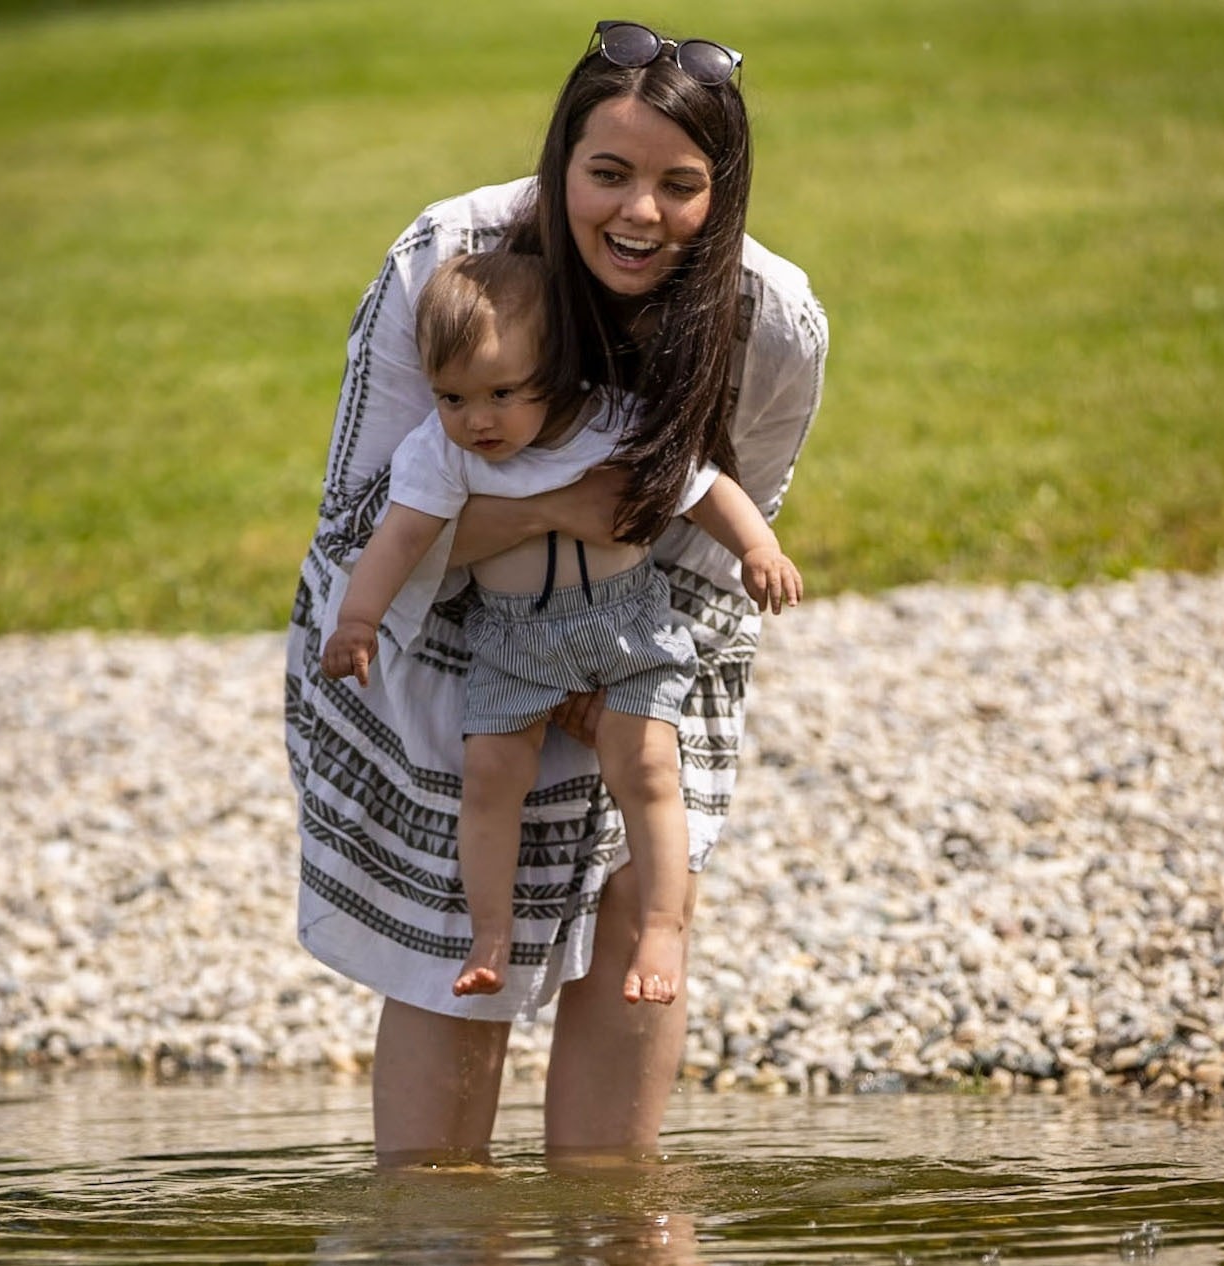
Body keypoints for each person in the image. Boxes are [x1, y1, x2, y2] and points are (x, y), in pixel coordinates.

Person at [285, 19, 828, 1166]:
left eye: (681, 186)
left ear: (721, 194)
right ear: (559, 162)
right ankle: (441, 1222)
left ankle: (617, 1211)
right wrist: (546, 522)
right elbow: (353, 528)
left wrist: (609, 678)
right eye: (610, 173)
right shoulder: (451, 265)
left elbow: (725, 535)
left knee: (638, 884)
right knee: (466, 930)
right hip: (433, 638)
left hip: (646, 632)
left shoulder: (766, 318)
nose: (641, 213)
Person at [319, 249, 802, 1008]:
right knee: (489, 780)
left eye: (501, 393)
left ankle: (663, 926)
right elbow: (400, 539)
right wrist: (357, 619)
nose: (476, 419)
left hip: (626, 627)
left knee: (645, 772)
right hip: (513, 641)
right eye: (450, 396)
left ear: (560, 370)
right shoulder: (442, 453)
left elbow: (707, 488)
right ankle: (490, 933)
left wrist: (758, 549)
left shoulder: (615, 423)